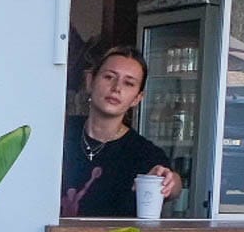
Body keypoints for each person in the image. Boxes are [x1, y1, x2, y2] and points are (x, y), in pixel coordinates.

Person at [60, 46, 184, 218]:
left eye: (129, 83)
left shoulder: (144, 154)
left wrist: (170, 180)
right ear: (90, 81)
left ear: (137, 98)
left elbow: (173, 187)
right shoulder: (57, 132)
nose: (116, 87)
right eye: (109, 77)